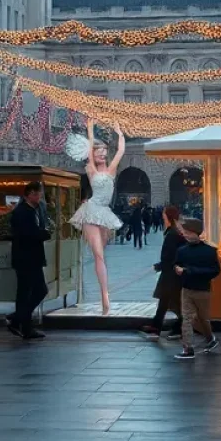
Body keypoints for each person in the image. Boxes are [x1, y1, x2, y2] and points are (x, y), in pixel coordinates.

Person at [69, 120, 125, 315]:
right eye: (98, 151)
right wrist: (90, 128)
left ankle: (104, 295)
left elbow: (121, 151)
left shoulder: (111, 170)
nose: (102, 153)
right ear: (92, 154)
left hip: (104, 212)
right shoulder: (91, 169)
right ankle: (104, 297)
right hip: (92, 211)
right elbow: (91, 144)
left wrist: (119, 132)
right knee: (98, 255)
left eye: (104, 151)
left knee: (102, 256)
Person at [9, 181, 52, 339]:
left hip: (31, 257)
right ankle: (18, 319)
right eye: (36, 193)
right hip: (26, 258)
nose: (39, 196)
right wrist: (44, 234)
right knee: (38, 290)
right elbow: (27, 234)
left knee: (26, 292)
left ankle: (21, 324)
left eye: (39, 193)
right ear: (28, 195)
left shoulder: (35, 209)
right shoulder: (22, 212)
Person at [173, 218, 220, 360]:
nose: (185, 235)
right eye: (184, 232)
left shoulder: (209, 251)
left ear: (196, 233)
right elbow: (177, 264)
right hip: (186, 289)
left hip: (202, 290)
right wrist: (177, 269)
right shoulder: (181, 250)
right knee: (186, 318)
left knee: (203, 318)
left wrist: (188, 271)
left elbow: (215, 270)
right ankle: (188, 347)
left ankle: (210, 338)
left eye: (188, 232)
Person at [140, 205, 185, 338]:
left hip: (171, 273)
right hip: (171, 272)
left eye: (164, 214)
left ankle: (180, 327)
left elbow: (171, 256)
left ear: (167, 216)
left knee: (173, 301)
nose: (162, 216)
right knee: (166, 300)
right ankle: (157, 326)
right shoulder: (174, 232)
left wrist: (160, 266)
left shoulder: (172, 234)